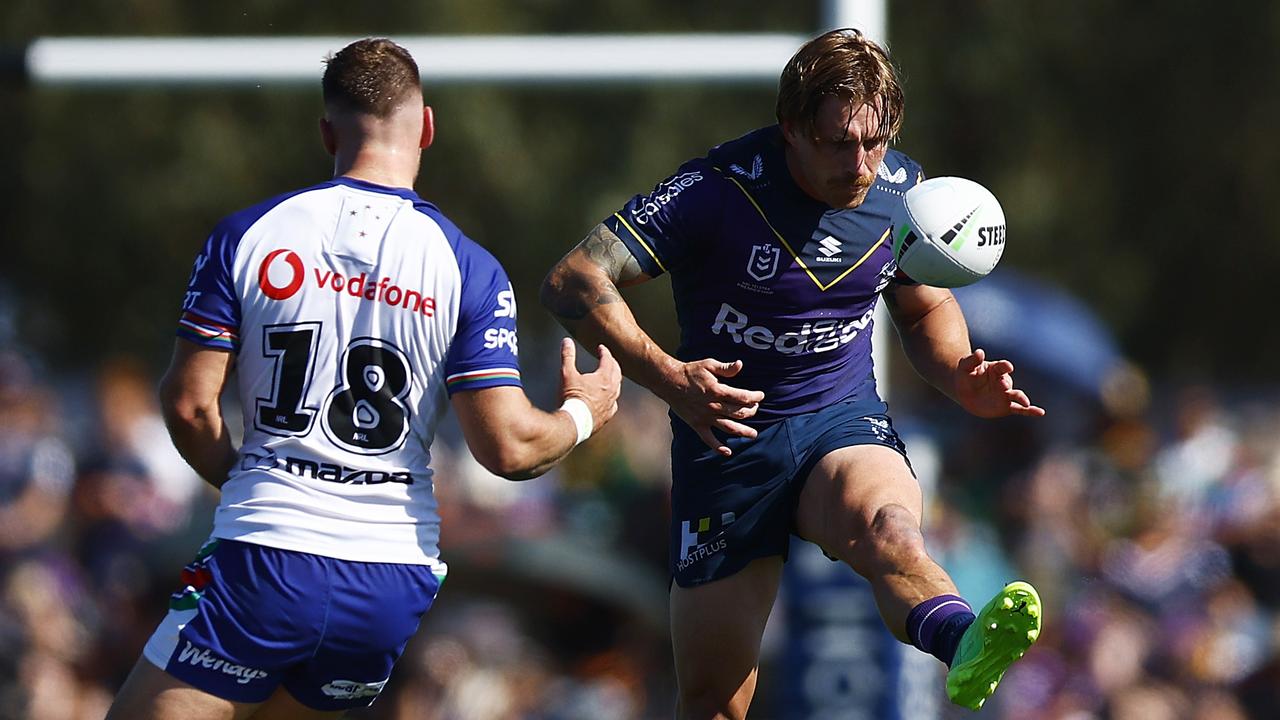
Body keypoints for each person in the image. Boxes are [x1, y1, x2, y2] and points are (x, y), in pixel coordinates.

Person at [106, 38, 621, 720]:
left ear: (327, 132)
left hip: (266, 555)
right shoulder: (467, 266)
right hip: (387, 578)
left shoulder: (250, 233)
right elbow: (509, 449)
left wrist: (244, 480)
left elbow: (190, 405)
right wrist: (584, 411)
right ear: (427, 127)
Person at [540, 28, 1043, 717]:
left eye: (875, 141)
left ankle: (963, 643)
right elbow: (573, 278)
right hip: (728, 444)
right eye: (840, 143)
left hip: (841, 420)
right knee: (717, 698)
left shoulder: (906, 191)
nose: (861, 163)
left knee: (892, 532)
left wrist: (961, 375)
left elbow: (925, 309)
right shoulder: (714, 190)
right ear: (791, 129)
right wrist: (667, 376)